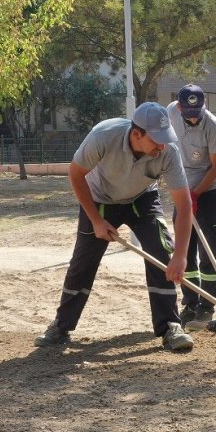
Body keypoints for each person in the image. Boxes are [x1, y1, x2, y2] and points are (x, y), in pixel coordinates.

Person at [35, 102, 196, 351]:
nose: (162, 146)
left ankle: (170, 327)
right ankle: (61, 326)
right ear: (136, 134)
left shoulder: (168, 153)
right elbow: (76, 174)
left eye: (166, 139)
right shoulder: (103, 137)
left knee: (160, 253)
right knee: (82, 263)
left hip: (142, 200)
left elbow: (184, 206)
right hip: (100, 200)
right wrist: (97, 221)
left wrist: (181, 256)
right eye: (157, 140)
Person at [166, 84, 216, 330]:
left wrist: (197, 192)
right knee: (185, 249)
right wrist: (183, 192)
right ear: (179, 107)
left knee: (210, 247)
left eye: (197, 111)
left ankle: (207, 305)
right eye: (188, 111)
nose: (192, 117)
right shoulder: (170, 112)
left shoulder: (213, 126)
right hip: (182, 189)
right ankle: (190, 302)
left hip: (208, 190)